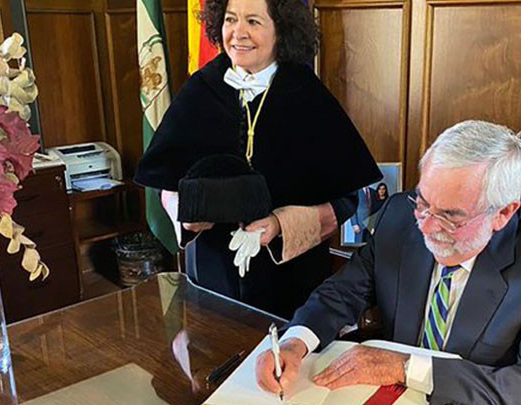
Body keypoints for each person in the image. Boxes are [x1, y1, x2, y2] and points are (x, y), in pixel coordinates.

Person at [255, 120, 521, 405]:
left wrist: (404, 367)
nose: (426, 226)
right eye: (424, 202)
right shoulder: (401, 216)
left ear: (503, 213)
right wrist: (295, 343)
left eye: (450, 217)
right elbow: (341, 294)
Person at [134, 0, 381, 319]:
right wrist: (186, 216)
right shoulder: (201, 89)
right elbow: (165, 180)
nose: (238, 33)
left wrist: (280, 225)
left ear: (281, 28)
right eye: (230, 20)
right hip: (212, 277)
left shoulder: (307, 94)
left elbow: (345, 199)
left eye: (253, 21)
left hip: (291, 280)